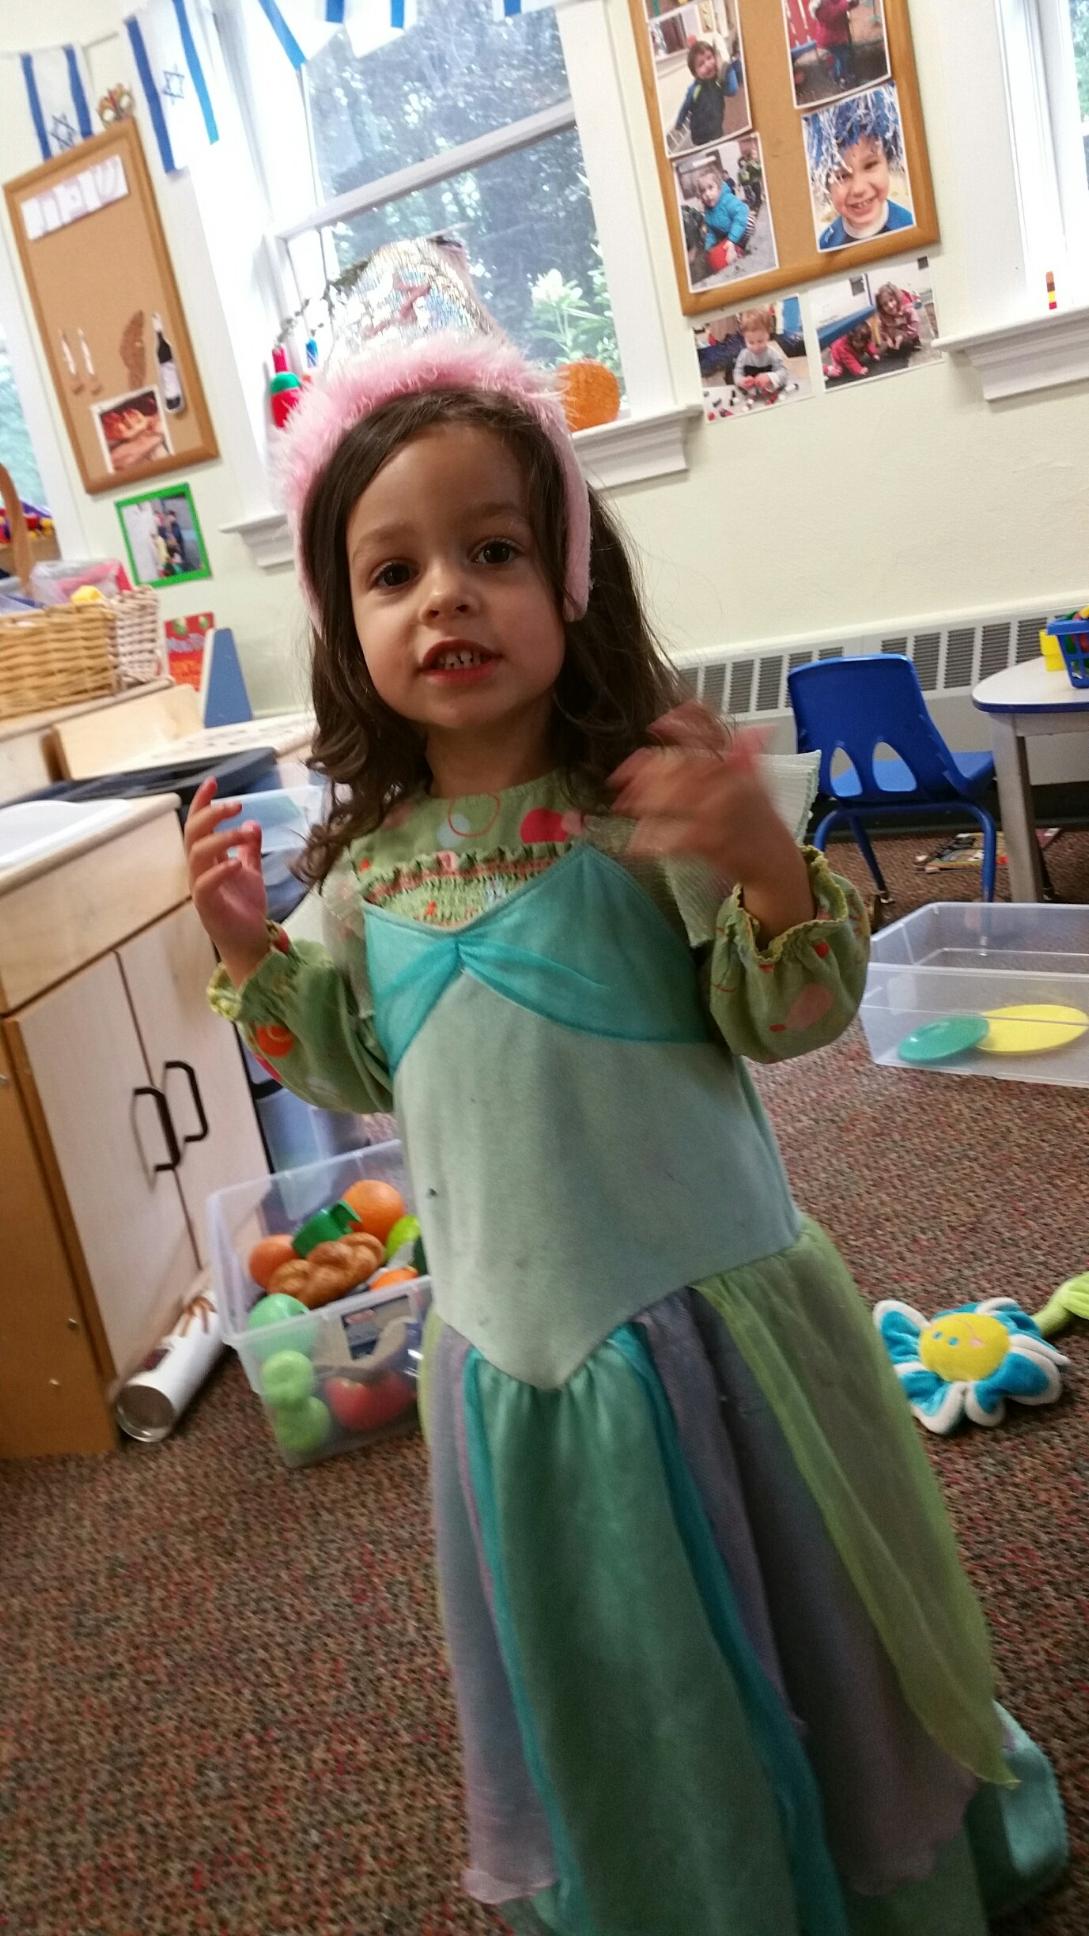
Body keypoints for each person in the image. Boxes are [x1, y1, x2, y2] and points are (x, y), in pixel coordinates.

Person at [185, 239, 1066, 1936]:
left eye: (492, 551)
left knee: (800, 1614)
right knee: (615, 1656)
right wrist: (247, 950)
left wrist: (759, 860)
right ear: (343, 626)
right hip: (512, 1351)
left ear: (570, 581)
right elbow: (356, 1070)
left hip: (711, 1323)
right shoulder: (360, 874)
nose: (444, 596)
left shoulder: (635, 805)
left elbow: (788, 1014)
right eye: (391, 571)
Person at [806, 85, 914, 250]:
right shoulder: (826, 246)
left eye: (870, 165)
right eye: (842, 176)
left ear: (887, 161)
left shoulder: (910, 226)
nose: (858, 188)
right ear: (826, 185)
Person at [695, 157, 755, 275]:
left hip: (741, 227)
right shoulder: (708, 211)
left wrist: (732, 240)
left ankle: (743, 247)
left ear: (719, 188)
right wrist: (709, 247)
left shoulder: (727, 200)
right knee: (718, 244)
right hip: (727, 233)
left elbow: (741, 214)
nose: (707, 194)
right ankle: (734, 249)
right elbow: (711, 231)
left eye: (710, 188)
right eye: (703, 191)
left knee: (748, 221)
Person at [671, 40, 728, 151]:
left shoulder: (718, 81)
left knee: (720, 150)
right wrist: (678, 124)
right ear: (695, 73)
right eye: (701, 64)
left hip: (717, 129)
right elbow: (685, 107)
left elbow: (731, 88)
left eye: (709, 58)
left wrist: (725, 66)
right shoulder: (695, 90)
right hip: (700, 135)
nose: (707, 65)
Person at [733, 306, 790, 402]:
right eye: (751, 342)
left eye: (760, 341)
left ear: (768, 335)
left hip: (771, 397)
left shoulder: (773, 354)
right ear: (744, 338)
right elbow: (737, 373)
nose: (756, 347)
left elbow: (784, 374)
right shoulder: (743, 355)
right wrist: (741, 381)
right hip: (750, 398)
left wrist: (769, 377)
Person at [810, 0, 860, 91]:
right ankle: (842, 79)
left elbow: (844, 5)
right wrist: (846, 3)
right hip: (830, 39)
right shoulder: (820, 7)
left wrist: (853, 2)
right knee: (841, 58)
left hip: (837, 37)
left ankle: (836, 75)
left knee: (840, 57)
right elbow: (833, 13)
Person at [874, 280, 921, 354]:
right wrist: (887, 338)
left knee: (907, 344)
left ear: (896, 298)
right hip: (894, 336)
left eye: (891, 300)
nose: (890, 306)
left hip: (909, 334)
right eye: (885, 304)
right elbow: (882, 330)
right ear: (881, 307)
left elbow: (915, 325)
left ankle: (914, 342)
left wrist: (903, 336)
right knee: (887, 348)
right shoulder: (883, 316)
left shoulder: (908, 310)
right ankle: (897, 348)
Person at [737, 132, 764, 213]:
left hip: (754, 182)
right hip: (751, 183)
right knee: (753, 195)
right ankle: (756, 205)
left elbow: (758, 170)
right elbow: (744, 175)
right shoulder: (747, 165)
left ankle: (757, 205)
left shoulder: (752, 163)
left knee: (756, 194)